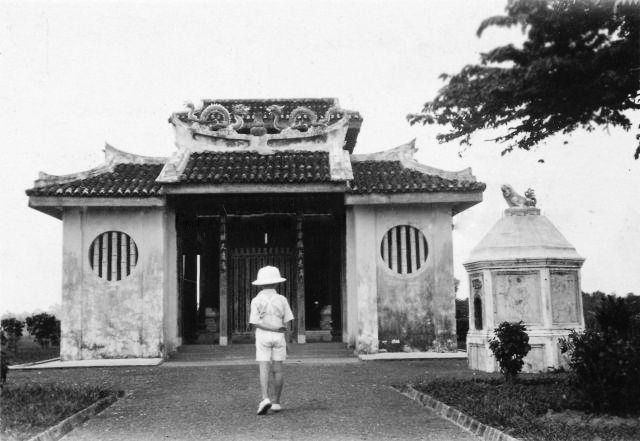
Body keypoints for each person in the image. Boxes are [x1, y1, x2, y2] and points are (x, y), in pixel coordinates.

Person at [248, 265, 294, 415]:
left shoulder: (256, 300)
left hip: (263, 335)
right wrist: (286, 340)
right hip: (279, 336)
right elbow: (287, 322)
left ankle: (265, 398)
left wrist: (270, 329)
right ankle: (277, 402)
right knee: (278, 369)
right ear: (277, 282)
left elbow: (255, 322)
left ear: (260, 284)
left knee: (264, 367)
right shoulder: (282, 299)